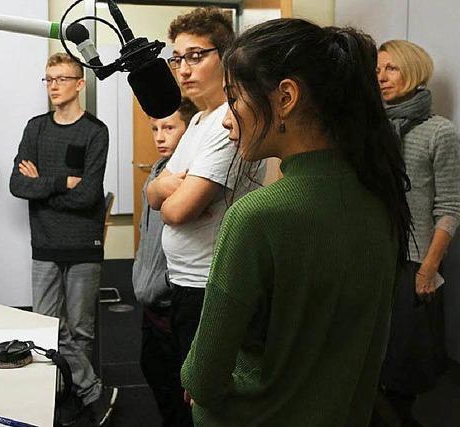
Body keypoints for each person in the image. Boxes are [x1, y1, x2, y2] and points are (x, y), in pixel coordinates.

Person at [180, 19, 413, 426]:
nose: (226, 118)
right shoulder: (382, 201)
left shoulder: (256, 217)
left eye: (235, 98)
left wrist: (195, 382)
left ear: (285, 97)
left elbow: (202, 377)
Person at [146, 9, 263, 424]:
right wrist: (160, 188)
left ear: (226, 56)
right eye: (177, 59)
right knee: (176, 383)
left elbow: (177, 209)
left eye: (196, 56)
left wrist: (164, 192)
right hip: (183, 281)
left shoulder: (227, 122)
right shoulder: (196, 119)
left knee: (203, 396)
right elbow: (154, 190)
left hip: (210, 283)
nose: (183, 69)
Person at [9, 52, 113, 426]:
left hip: (84, 243)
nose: (53, 85)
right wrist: (59, 182)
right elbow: (17, 184)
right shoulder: (35, 128)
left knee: (81, 329)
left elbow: (89, 196)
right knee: (48, 326)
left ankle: (70, 399)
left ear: (80, 83)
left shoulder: (95, 131)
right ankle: (90, 390)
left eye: (61, 78)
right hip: (45, 243)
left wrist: (42, 185)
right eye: (48, 79)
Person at [375, 40, 460, 425]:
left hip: (412, 261)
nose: (381, 77)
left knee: (403, 369)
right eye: (377, 70)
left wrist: (428, 268)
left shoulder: (441, 132)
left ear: (413, 70)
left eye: (390, 68)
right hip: (370, 255)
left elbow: (450, 208)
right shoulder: (368, 126)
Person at [133, 97, 198, 427]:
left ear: (188, 131)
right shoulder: (158, 172)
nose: (159, 136)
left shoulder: (187, 177)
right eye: (155, 128)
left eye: (169, 128)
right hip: (149, 302)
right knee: (153, 372)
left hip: (172, 304)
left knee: (181, 397)